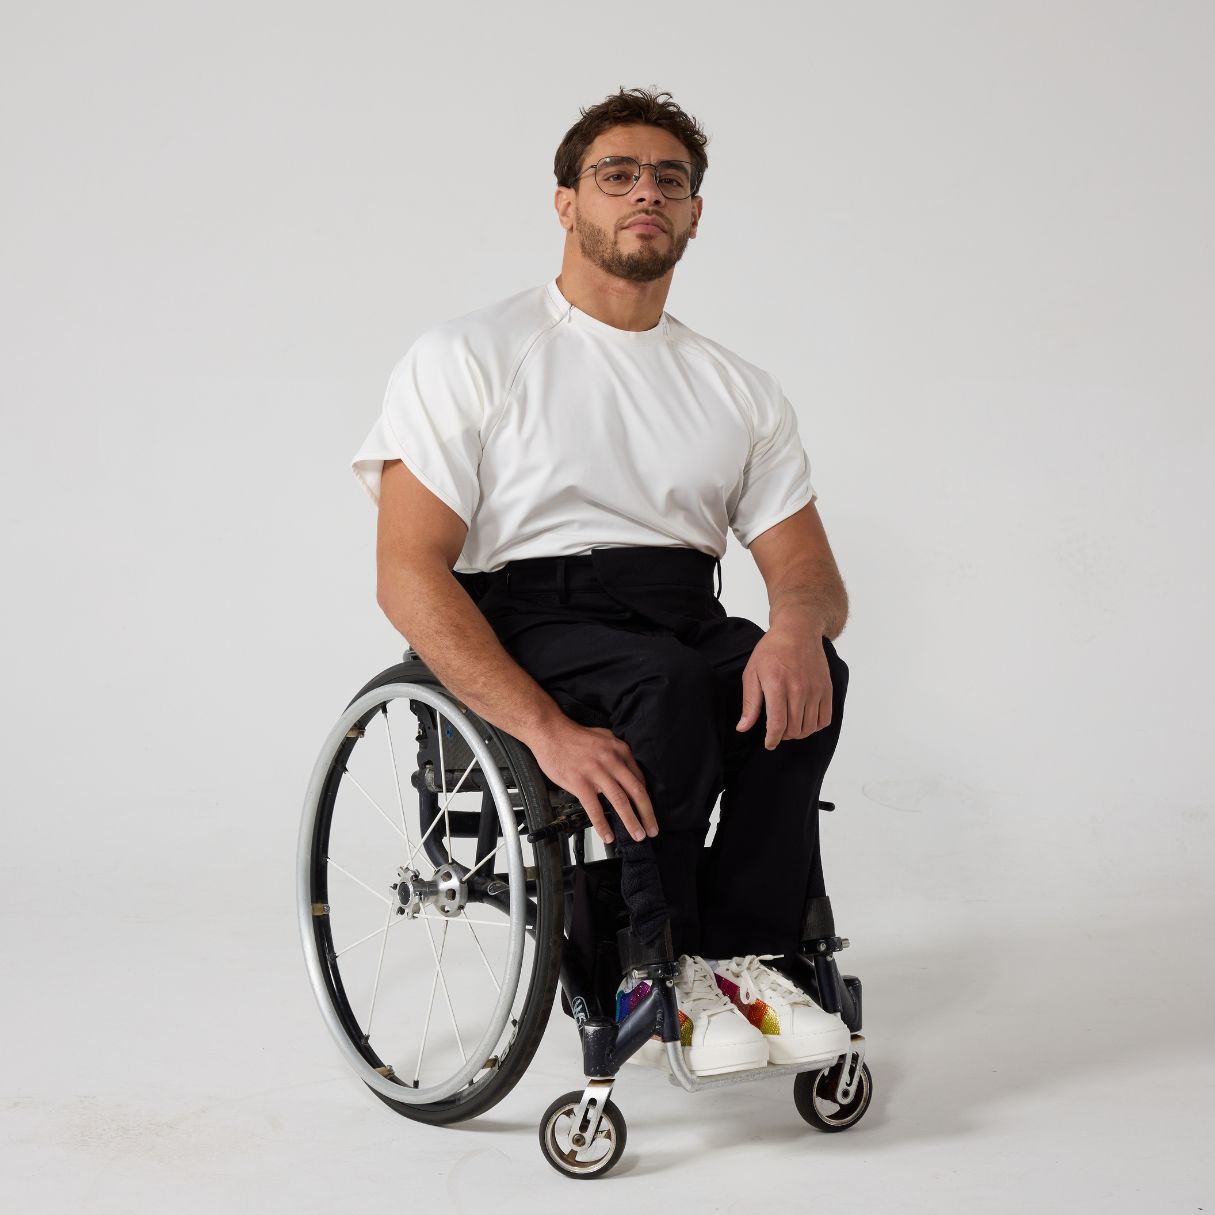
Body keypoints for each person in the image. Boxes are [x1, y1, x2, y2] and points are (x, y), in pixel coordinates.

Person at [351, 87, 852, 1077]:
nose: (646, 193)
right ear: (565, 203)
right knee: (659, 687)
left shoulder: (735, 386)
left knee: (804, 679)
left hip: (678, 606)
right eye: (616, 174)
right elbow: (408, 574)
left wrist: (794, 628)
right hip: (528, 610)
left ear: (697, 214)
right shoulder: (470, 354)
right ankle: (647, 967)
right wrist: (542, 731)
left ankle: (740, 958)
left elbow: (808, 573)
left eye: (671, 180)